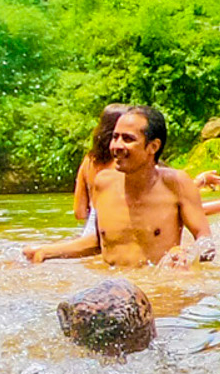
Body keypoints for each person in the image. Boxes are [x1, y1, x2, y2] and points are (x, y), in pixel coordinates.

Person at [22, 104, 210, 267]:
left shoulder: (177, 183)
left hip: (161, 289)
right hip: (113, 290)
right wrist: (45, 251)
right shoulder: (103, 183)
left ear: (153, 146)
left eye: (128, 139)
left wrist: (185, 254)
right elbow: (99, 242)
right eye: (115, 137)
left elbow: (206, 243)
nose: (116, 146)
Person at [70, 104, 130, 235]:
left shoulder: (88, 161)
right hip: (118, 229)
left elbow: (79, 212)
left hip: (90, 231)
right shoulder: (125, 163)